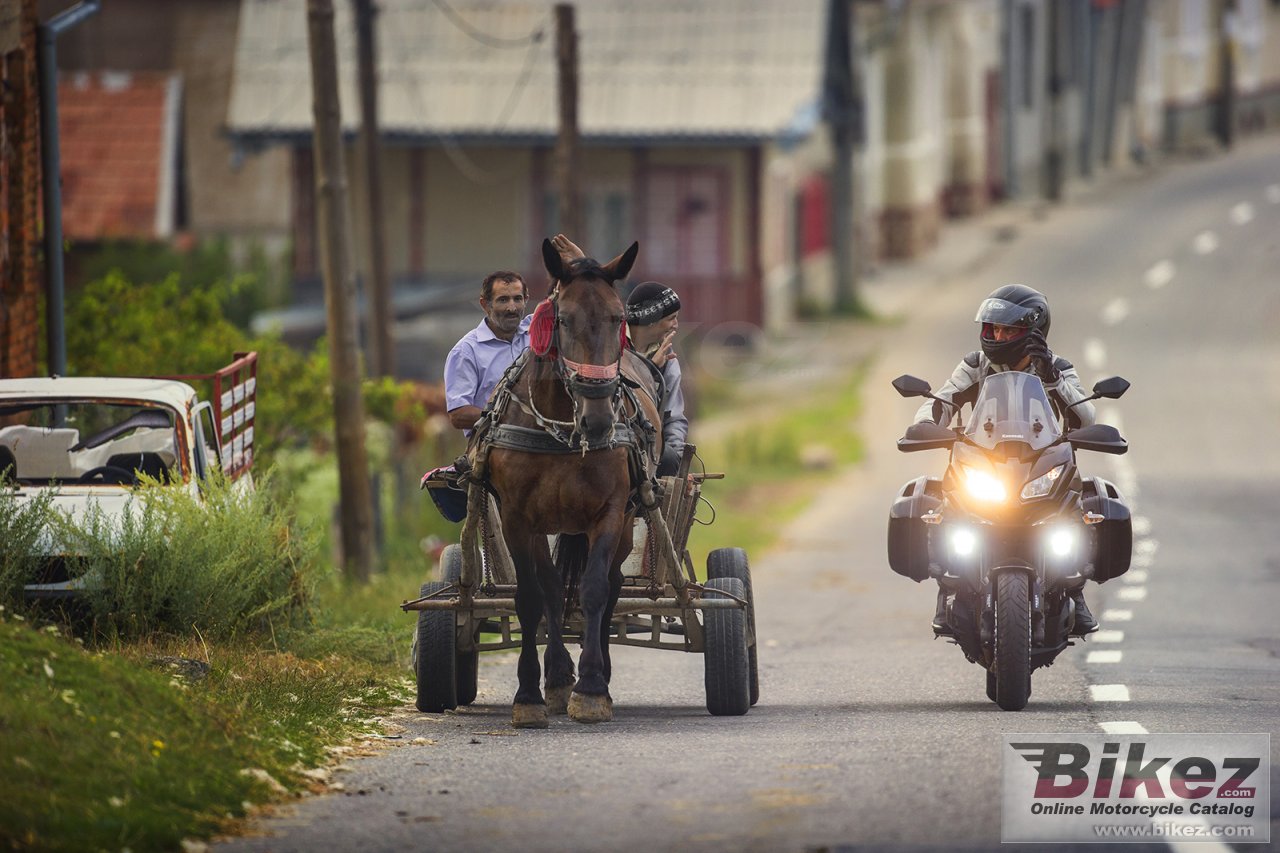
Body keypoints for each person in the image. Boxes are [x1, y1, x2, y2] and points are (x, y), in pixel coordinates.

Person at [917, 284, 1100, 636]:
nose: (998, 336)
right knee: (949, 505)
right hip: (986, 459)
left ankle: (1074, 591)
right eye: (993, 329)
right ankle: (948, 588)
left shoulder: (1057, 367)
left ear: (1032, 331)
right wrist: (925, 424)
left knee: (1073, 503)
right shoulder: (975, 364)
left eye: (1008, 330)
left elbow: (1086, 418)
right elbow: (943, 401)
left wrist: (1052, 378)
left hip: (1039, 462)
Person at [444, 270, 531, 433]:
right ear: (485, 305)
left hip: (544, 448)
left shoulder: (538, 334)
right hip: (493, 449)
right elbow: (458, 414)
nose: (512, 308)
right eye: (503, 300)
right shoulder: (466, 351)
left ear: (526, 300)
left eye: (517, 299)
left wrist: (579, 260)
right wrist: (510, 417)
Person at [626, 281, 688, 477]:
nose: (676, 325)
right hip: (613, 440)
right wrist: (650, 369)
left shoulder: (669, 358)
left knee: (668, 458)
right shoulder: (612, 348)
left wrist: (676, 456)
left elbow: (675, 416)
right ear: (651, 319)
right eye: (672, 318)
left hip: (649, 444)